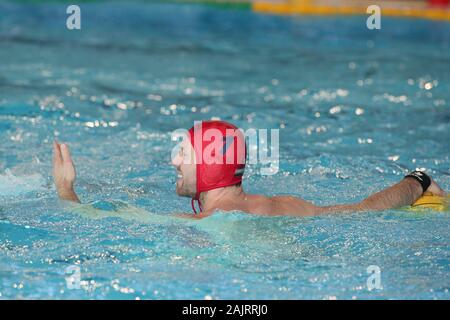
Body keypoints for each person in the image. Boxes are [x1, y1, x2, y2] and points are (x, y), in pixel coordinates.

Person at [53, 120, 446, 218]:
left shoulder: (197, 222)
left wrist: (67, 190)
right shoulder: (287, 206)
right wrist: (419, 180)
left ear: (209, 165)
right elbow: (365, 209)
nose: (173, 160)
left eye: (183, 153)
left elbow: (92, 219)